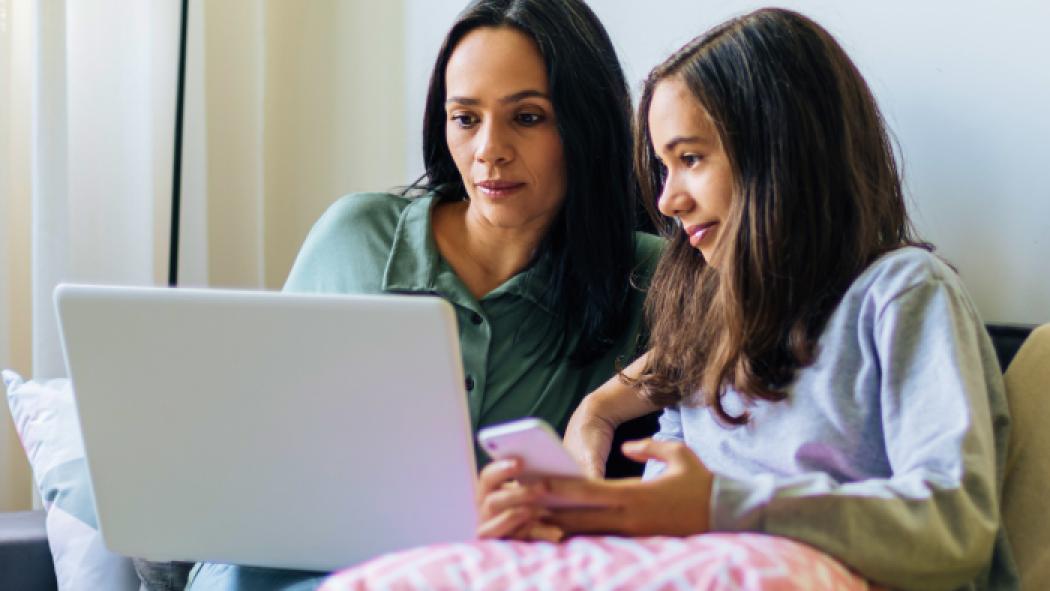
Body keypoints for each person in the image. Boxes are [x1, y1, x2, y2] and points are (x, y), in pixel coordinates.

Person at [476, 8, 1017, 590]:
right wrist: (575, 526)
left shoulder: (904, 295)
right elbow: (677, 542)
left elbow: (955, 529)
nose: (667, 201)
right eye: (662, 168)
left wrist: (720, 506)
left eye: (690, 159)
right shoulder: (705, 327)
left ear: (782, 151)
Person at [186, 0, 662, 589]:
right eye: (465, 118)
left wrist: (595, 414)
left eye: (528, 117)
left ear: (587, 125)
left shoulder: (646, 278)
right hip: (262, 569)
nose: (490, 149)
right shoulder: (355, 236)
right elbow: (250, 437)